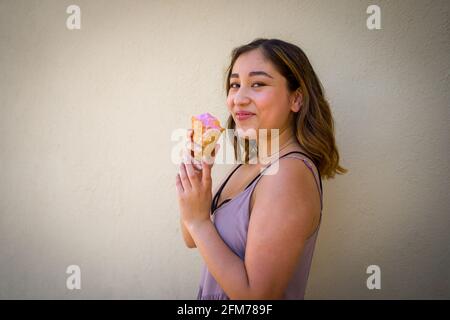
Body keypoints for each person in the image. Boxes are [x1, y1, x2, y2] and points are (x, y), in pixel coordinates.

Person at [175, 38, 348, 299]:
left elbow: (257, 298)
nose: (239, 99)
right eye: (235, 85)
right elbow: (191, 239)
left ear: (296, 99)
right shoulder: (248, 166)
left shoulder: (289, 174)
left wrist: (199, 221)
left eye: (258, 84)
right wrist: (198, 184)